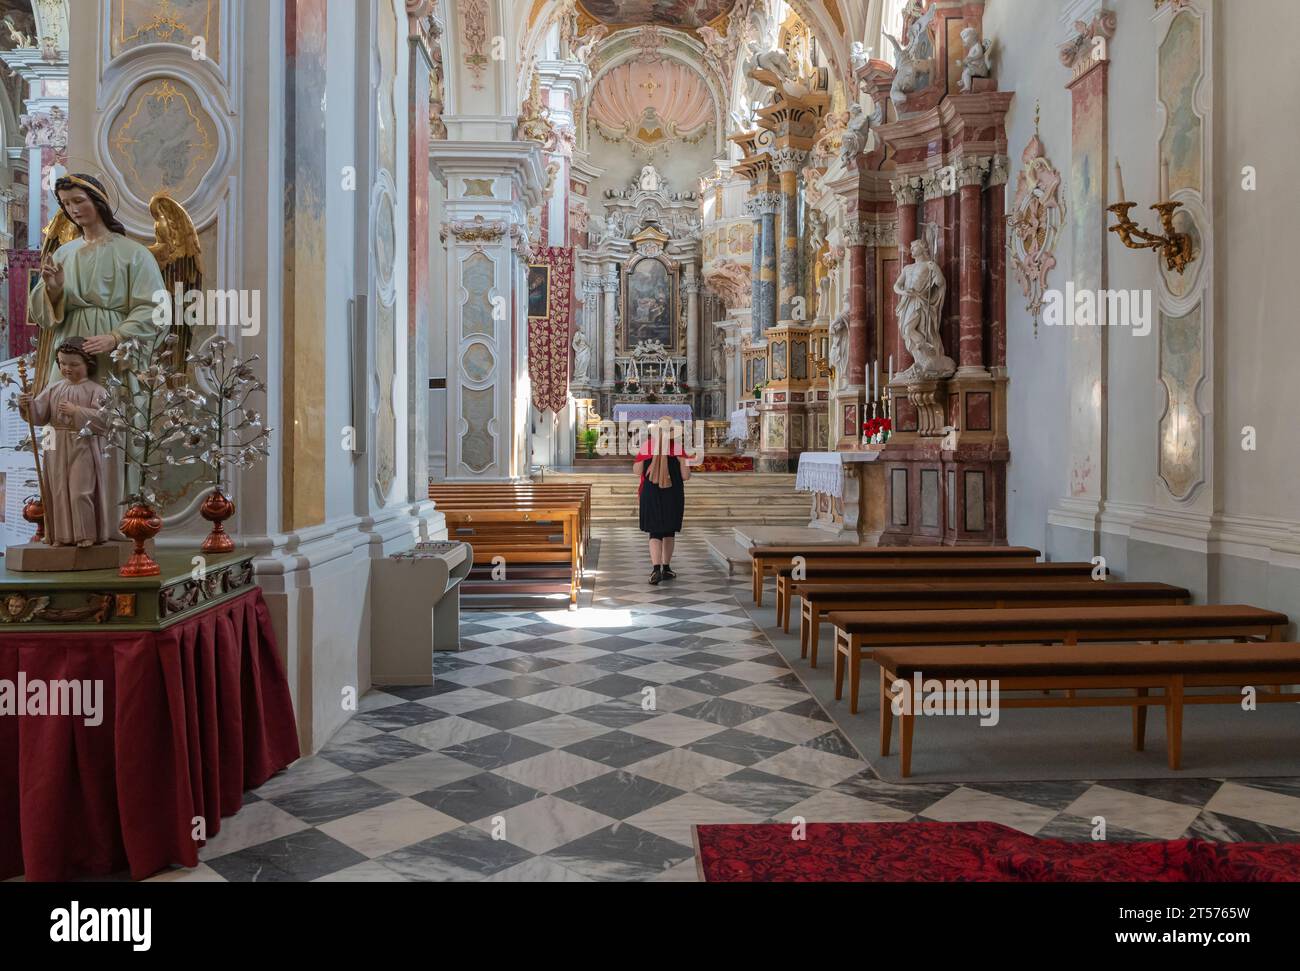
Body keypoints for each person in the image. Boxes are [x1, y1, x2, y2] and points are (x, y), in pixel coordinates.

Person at [28, 173, 166, 390]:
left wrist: (116, 337)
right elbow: (41, 316)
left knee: (111, 405)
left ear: (98, 201)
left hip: (111, 350)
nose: (73, 209)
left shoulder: (134, 253)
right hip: (69, 345)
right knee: (65, 403)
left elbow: (155, 307)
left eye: (78, 200)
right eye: (66, 203)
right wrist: (53, 291)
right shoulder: (63, 253)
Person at [17, 338, 111, 547]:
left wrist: (76, 411)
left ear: (88, 364)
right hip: (55, 442)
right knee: (57, 490)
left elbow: (105, 420)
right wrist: (27, 405)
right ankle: (61, 536)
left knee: (80, 492)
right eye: (62, 363)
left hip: (83, 443)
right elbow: (39, 415)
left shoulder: (96, 390)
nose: (67, 368)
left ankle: (86, 534)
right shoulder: (54, 388)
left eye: (74, 364)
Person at [632, 418, 692, 585]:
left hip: (651, 492)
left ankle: (655, 569)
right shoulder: (678, 449)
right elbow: (686, 475)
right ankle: (666, 568)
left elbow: (637, 471)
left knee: (655, 531)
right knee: (669, 531)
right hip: (672, 494)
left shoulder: (647, 447)